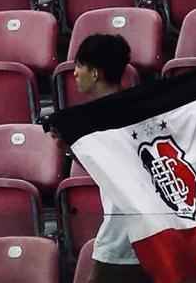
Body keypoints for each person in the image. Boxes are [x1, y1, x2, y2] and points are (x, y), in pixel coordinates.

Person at [66, 34, 152, 283]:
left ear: (95, 73)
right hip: (152, 234)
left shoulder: (99, 121)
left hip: (122, 239)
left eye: (79, 66)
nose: (74, 73)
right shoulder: (140, 109)